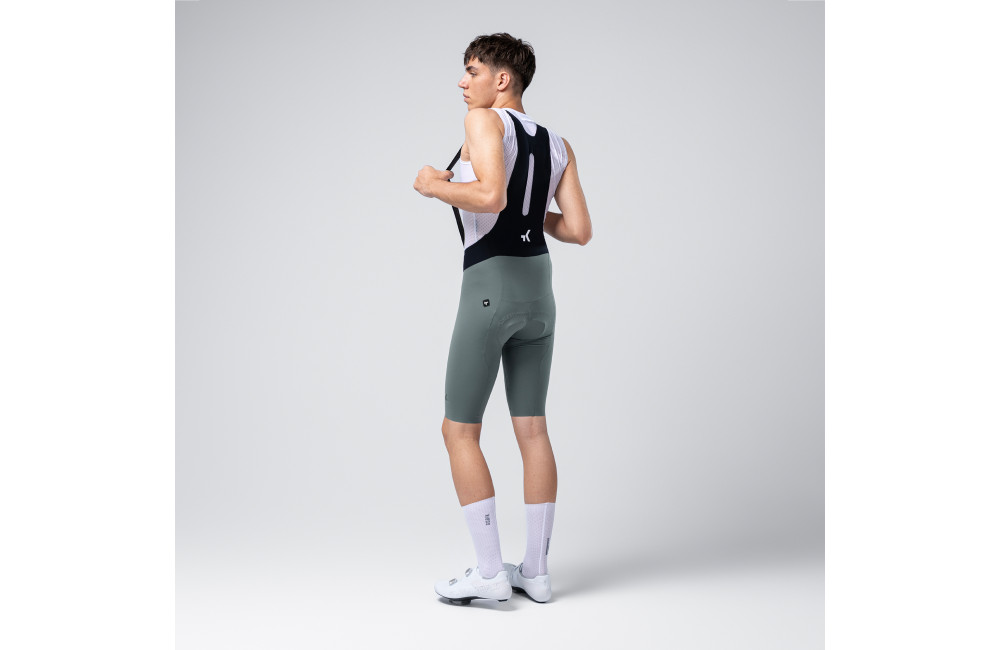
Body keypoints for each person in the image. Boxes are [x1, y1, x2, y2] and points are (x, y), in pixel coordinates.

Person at [413, 33, 592, 605]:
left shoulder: (484, 120)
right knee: (533, 430)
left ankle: (490, 571)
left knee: (459, 430)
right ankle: (535, 573)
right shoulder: (558, 143)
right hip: (539, 292)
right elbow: (578, 230)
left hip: (490, 287)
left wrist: (434, 186)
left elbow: (489, 196)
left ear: (502, 79)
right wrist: (529, 209)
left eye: (472, 71)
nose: (463, 82)